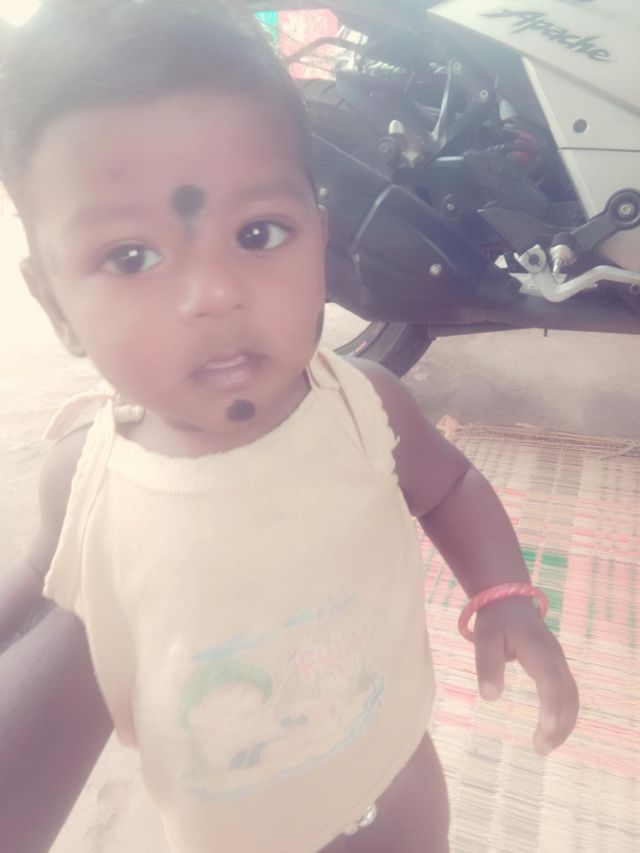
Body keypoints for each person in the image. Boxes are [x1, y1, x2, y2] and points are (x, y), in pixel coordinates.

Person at [0, 2, 579, 851]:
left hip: (397, 784)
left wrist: (504, 595)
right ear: (55, 304)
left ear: (322, 242)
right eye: (131, 256)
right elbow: (41, 582)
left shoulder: (365, 408)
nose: (214, 293)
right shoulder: (84, 476)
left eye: (258, 232)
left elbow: (450, 483)